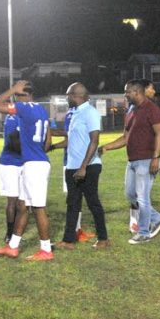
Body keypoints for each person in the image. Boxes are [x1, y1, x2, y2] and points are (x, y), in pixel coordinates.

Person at [0, 81, 56, 261]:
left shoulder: (24, 108)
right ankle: (12, 246)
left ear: (21, 94)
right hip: (34, 161)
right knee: (23, 206)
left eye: (17, 94)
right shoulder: (41, 109)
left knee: (38, 208)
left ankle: (46, 250)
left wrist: (11, 89)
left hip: (34, 164)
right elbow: (47, 140)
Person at [100, 79, 160, 244]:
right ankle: (157, 218)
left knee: (143, 197)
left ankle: (144, 233)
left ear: (136, 92)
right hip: (132, 160)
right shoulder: (131, 110)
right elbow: (125, 138)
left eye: (127, 91)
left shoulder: (152, 109)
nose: (125, 94)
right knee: (130, 194)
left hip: (147, 159)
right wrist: (105, 147)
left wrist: (156, 158)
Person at [51, 83, 109, 250]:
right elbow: (71, 140)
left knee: (93, 203)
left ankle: (103, 239)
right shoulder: (73, 113)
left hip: (89, 166)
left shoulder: (90, 112)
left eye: (68, 95)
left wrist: (83, 166)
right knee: (72, 204)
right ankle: (68, 241)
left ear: (77, 95)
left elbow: (94, 141)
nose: (66, 98)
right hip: (72, 166)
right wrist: (53, 147)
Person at [0, 98, 24, 244]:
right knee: (13, 200)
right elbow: (14, 142)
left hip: (21, 162)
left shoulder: (18, 117)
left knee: (22, 201)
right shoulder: (13, 118)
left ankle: (16, 233)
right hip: (10, 163)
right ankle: (9, 234)